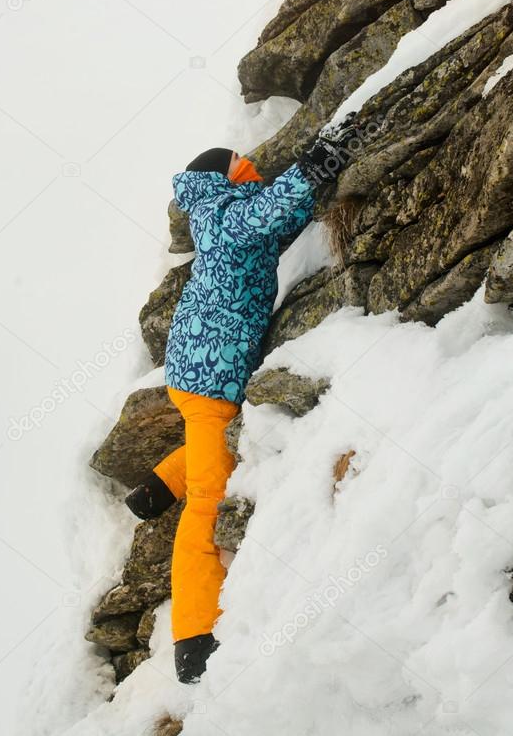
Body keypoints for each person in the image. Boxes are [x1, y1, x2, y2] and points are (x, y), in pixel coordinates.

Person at [125, 116, 359, 683]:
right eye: (242, 167)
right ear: (225, 182)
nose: (253, 168)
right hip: (209, 386)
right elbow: (270, 211)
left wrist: (315, 189)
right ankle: (193, 635)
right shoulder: (231, 222)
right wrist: (319, 162)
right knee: (208, 496)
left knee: (210, 444)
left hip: (200, 378)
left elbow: (279, 221)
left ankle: (154, 490)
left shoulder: (222, 220)